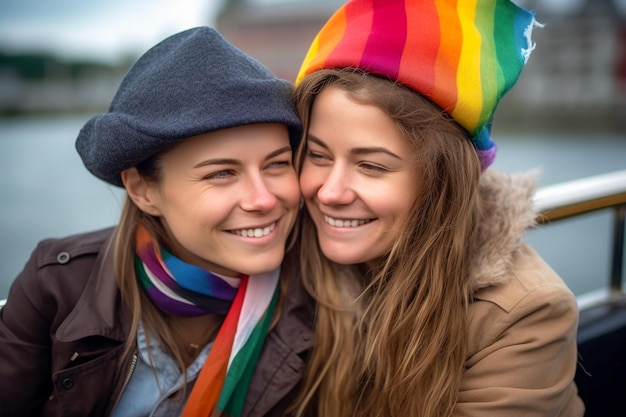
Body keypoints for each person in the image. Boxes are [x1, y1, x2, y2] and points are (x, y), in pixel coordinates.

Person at [289, 0, 585, 416]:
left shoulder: (527, 315)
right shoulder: (286, 256)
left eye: (371, 166)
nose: (330, 192)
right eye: (317, 156)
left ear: (441, 182)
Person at [0, 27, 314, 417]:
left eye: (277, 164)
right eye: (221, 173)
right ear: (142, 189)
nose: (264, 199)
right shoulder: (56, 286)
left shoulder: (324, 300)